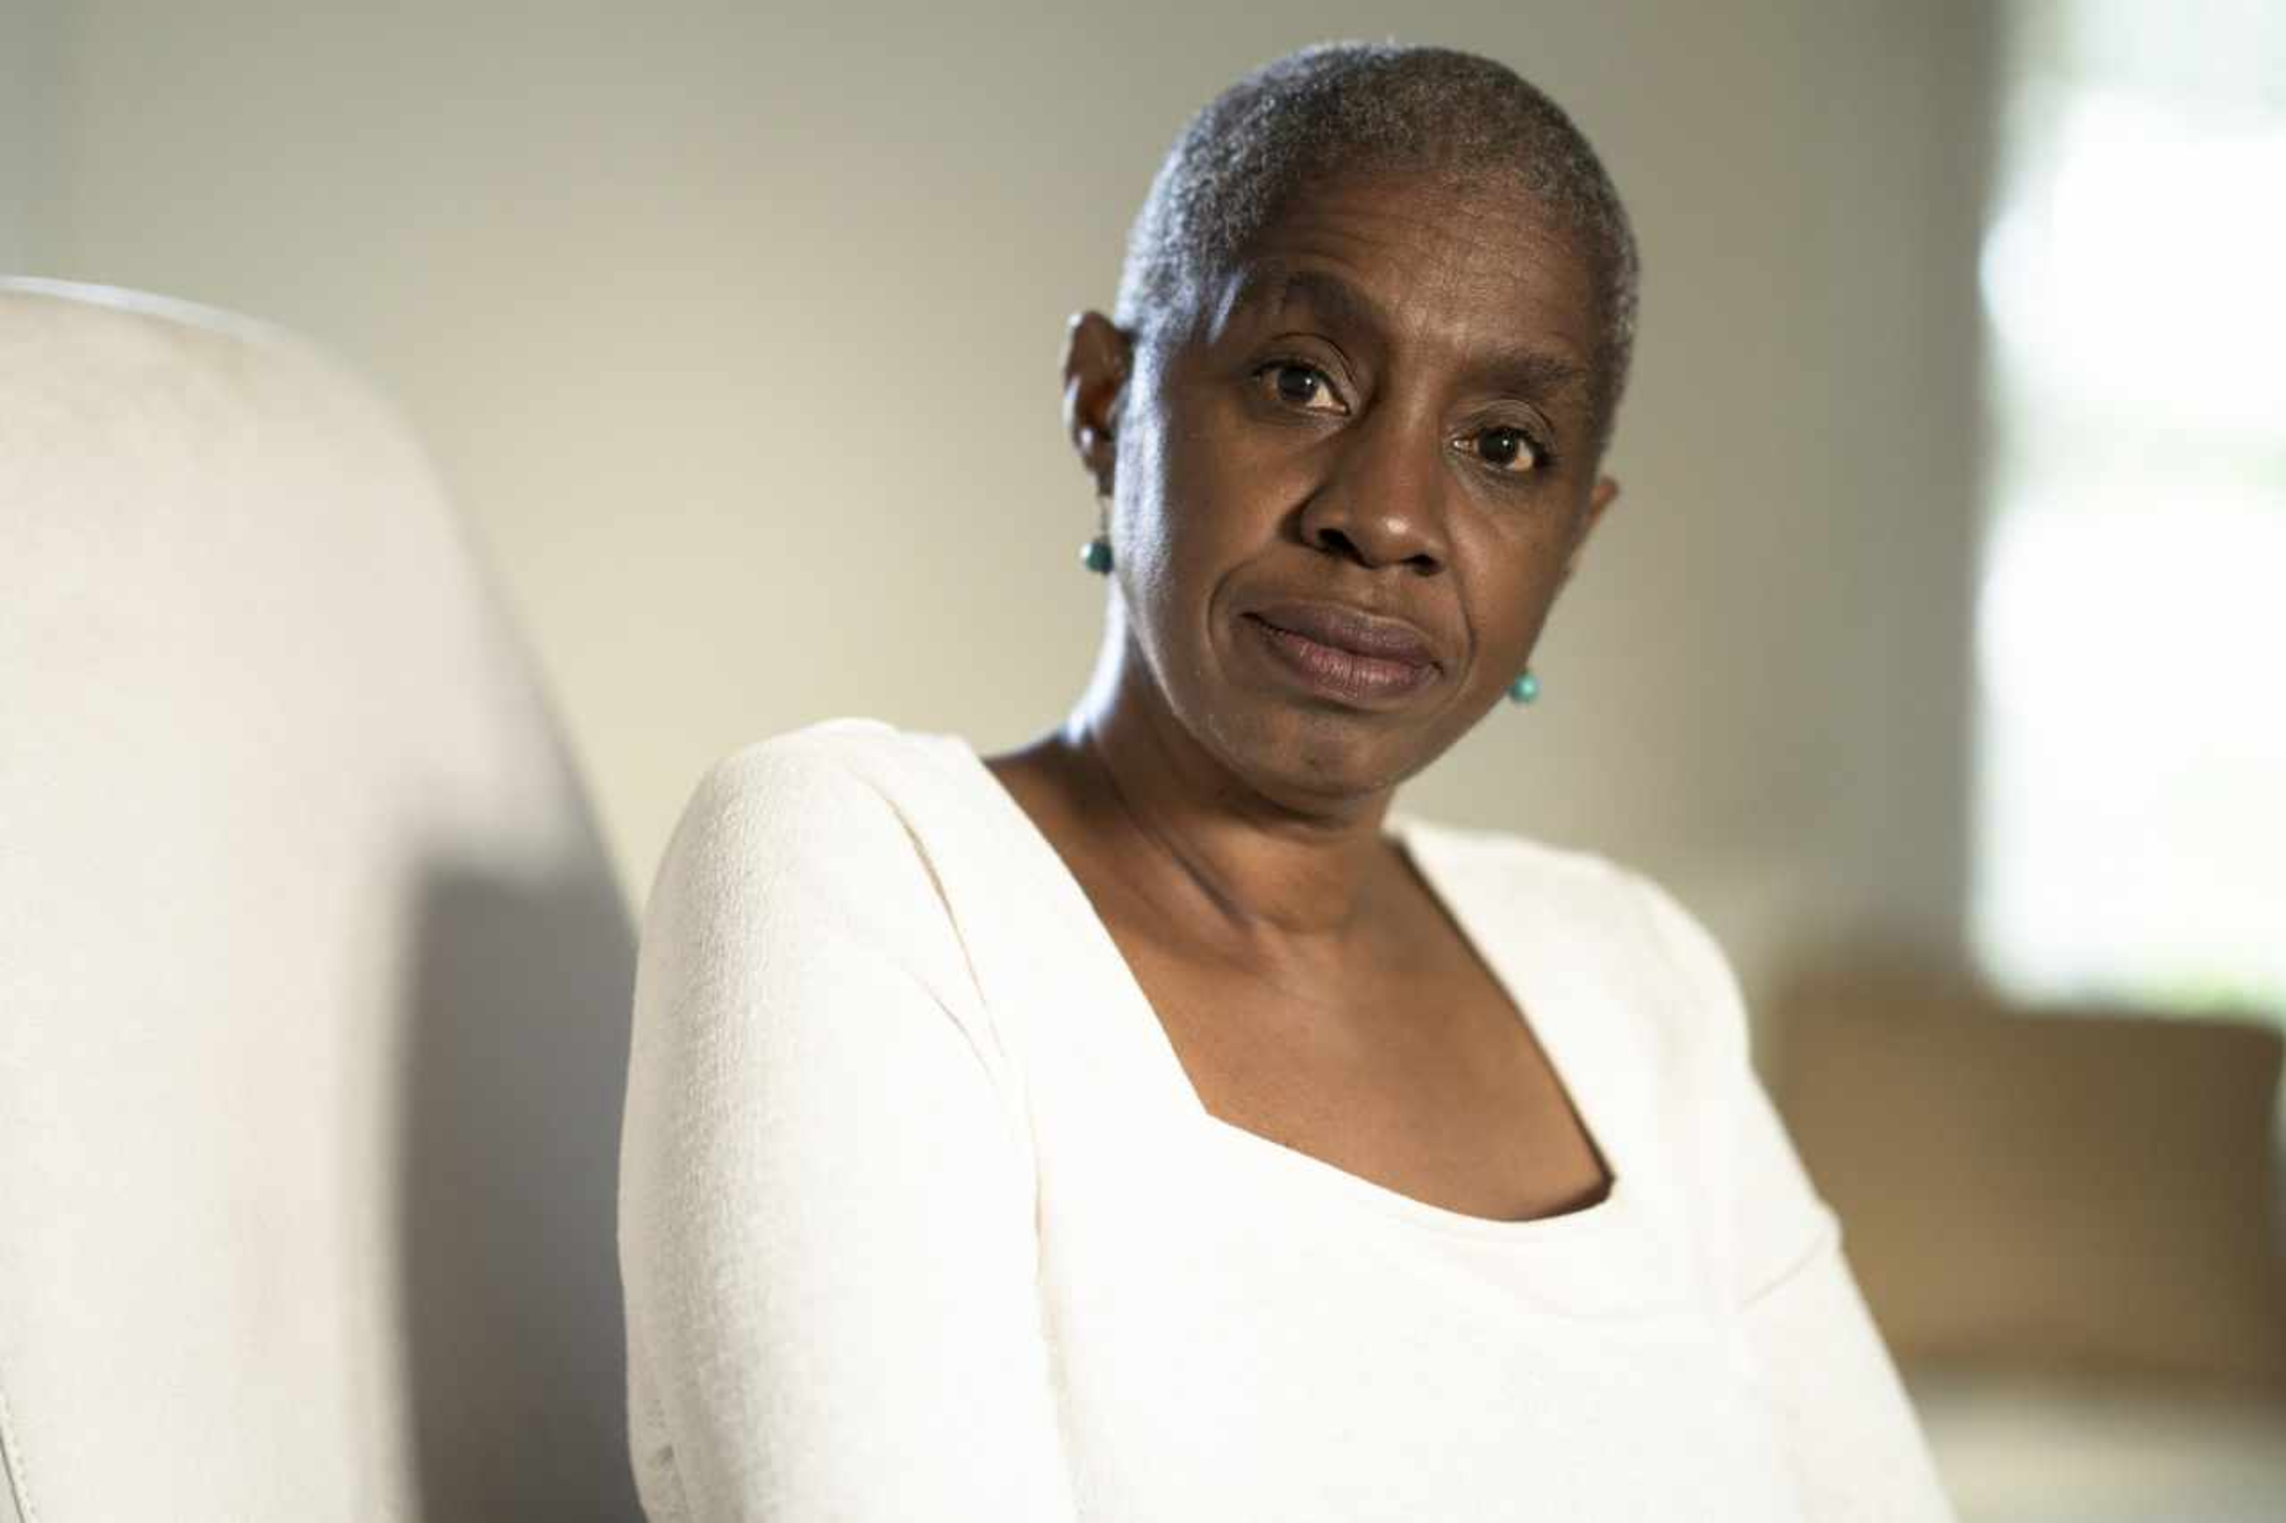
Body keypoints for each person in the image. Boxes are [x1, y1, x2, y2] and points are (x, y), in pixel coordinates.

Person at [616, 40, 1956, 1522]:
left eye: (1502, 445)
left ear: (1572, 540)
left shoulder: (1632, 974)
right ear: (1105, 401)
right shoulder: (866, 869)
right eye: (1301, 380)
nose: (1387, 517)